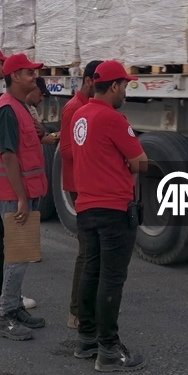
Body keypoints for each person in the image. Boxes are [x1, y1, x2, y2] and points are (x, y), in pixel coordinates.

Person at [71, 60, 148, 371]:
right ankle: (109, 350)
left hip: (86, 207)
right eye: (125, 86)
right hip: (114, 208)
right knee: (112, 278)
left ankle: (87, 340)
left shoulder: (80, 115)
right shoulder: (112, 118)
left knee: (91, 272)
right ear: (114, 86)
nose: (125, 92)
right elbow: (140, 161)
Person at [0, 53, 50, 340]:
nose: (34, 77)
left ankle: (13, 307)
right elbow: (9, 156)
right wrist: (22, 198)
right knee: (18, 256)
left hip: (25, 192)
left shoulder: (20, 107)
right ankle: (5, 317)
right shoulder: (7, 110)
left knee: (20, 253)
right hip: (14, 195)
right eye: (29, 73)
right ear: (14, 76)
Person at [58, 60, 102, 329]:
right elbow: (65, 150)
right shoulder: (74, 109)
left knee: (92, 248)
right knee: (86, 250)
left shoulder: (91, 107)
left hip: (90, 184)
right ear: (88, 81)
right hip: (80, 185)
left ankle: (86, 306)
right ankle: (76, 312)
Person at [26, 76, 58, 147]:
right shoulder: (20, 110)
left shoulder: (33, 110)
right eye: (40, 94)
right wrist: (43, 140)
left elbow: (36, 134)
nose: (42, 98)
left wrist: (54, 135)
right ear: (31, 90)